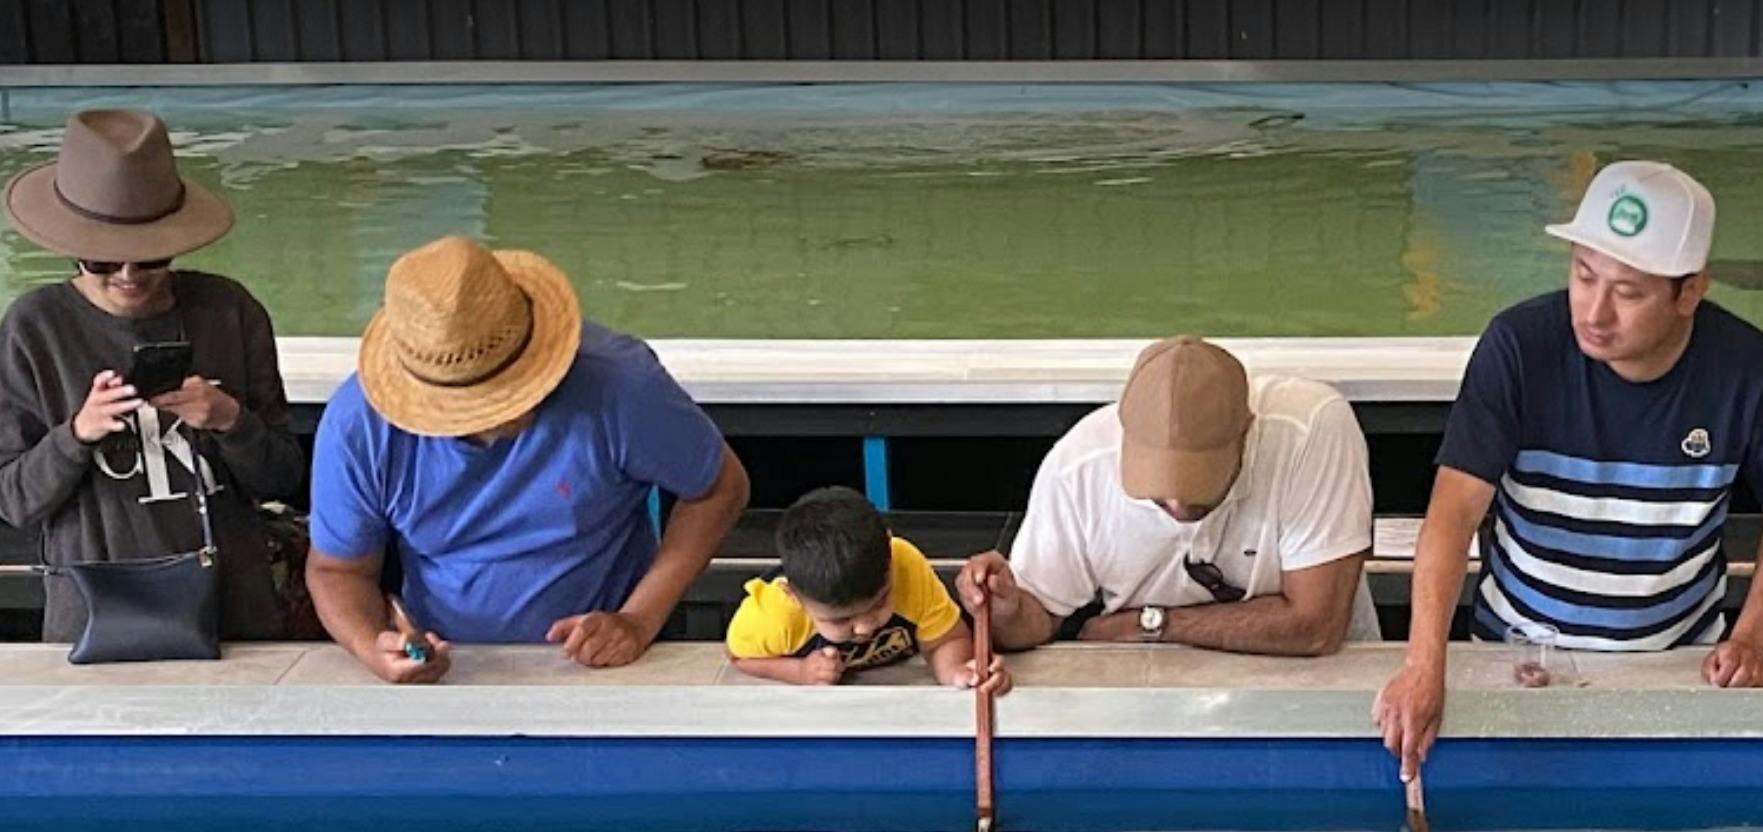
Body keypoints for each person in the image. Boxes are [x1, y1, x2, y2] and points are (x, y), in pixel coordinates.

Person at [1375, 161, 1763, 778]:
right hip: (1517, 650)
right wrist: (1425, 664)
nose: (1595, 312)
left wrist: (1750, 638)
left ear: (1689, 292)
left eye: (1628, 292)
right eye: (1584, 276)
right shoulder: (1519, 346)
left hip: (1676, 656)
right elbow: (1452, 513)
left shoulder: (1745, 369)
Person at [306, 235, 748, 684]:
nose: (496, 410)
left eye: (510, 386)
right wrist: (373, 646)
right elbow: (337, 569)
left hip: (613, 663)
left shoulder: (620, 384)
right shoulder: (358, 425)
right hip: (448, 670)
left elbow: (719, 487)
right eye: (473, 401)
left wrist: (639, 619)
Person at [0, 108, 302, 642]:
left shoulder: (229, 310)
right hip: (95, 611)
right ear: (72, 251)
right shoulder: (35, 327)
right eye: (103, 262)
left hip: (234, 604)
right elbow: (11, 499)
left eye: (151, 257)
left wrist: (231, 421)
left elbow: (284, 478)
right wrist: (77, 434)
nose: (130, 276)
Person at [956, 336, 1375, 658]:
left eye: (1199, 487)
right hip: (1146, 683)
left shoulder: (1312, 430)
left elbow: (1315, 626)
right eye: (1158, 491)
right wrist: (1005, 611)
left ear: (1247, 434)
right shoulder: (1078, 465)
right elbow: (1037, 617)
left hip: (1312, 681)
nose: (1177, 505)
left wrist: (1152, 624)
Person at [726, 486, 1011, 694]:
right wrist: (798, 672)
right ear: (794, 597)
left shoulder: (906, 566)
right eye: (840, 620)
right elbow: (740, 656)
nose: (864, 628)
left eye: (879, 602)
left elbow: (945, 640)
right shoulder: (772, 615)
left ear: (890, 557)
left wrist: (958, 673)